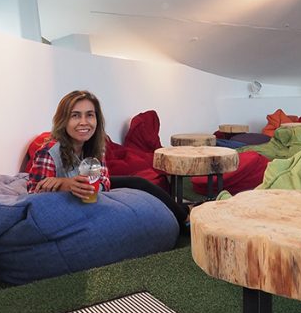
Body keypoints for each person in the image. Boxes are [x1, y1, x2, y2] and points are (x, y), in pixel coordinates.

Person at [28, 90, 188, 225]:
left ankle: (184, 215)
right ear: (63, 121)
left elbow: (104, 181)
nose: (84, 122)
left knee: (138, 182)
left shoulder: (95, 146)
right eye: (75, 116)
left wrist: (89, 186)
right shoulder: (48, 152)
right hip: (66, 207)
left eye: (89, 115)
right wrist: (65, 185)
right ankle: (185, 212)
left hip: (90, 192)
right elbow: (33, 196)